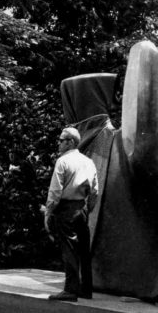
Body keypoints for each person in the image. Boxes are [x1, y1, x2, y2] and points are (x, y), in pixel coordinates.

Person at [44, 126, 99, 302]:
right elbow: (95, 191)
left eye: (61, 140)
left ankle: (71, 290)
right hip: (82, 209)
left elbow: (55, 191)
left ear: (70, 142)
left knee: (69, 248)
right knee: (84, 249)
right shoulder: (88, 162)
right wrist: (87, 209)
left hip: (66, 209)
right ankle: (86, 289)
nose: (58, 143)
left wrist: (48, 213)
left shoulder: (63, 162)